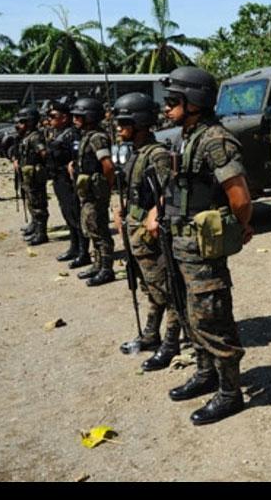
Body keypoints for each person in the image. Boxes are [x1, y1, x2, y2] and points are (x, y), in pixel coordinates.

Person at [146, 66, 253, 426]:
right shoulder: (185, 138)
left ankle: (229, 391)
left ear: (195, 102)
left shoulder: (214, 140)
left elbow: (238, 195)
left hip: (202, 248)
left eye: (174, 101)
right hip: (178, 242)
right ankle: (205, 372)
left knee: (212, 317)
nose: (167, 108)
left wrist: (242, 225)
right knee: (188, 312)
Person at [112, 92, 181, 370]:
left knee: (168, 289)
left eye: (124, 122)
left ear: (139, 122)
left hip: (152, 235)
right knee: (151, 288)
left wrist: (155, 213)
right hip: (135, 232)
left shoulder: (158, 154)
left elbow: (171, 190)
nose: (118, 128)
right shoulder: (136, 153)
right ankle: (151, 334)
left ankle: (171, 342)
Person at [69, 97, 116, 287]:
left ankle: (106, 268)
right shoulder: (88, 136)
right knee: (91, 227)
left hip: (96, 193)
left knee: (99, 230)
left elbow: (108, 166)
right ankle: (97, 264)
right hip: (87, 191)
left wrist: (105, 188)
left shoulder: (97, 137)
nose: (75, 120)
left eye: (79, 116)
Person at [47, 96, 88, 267]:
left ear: (64, 117)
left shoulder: (72, 134)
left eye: (53, 116)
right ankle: (74, 247)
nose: (49, 120)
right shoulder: (57, 133)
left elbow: (79, 157)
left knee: (76, 216)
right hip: (59, 180)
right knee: (67, 215)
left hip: (70, 181)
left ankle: (83, 252)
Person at [14, 107, 50, 246]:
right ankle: (35, 226)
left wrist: (41, 167)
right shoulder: (26, 136)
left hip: (35, 176)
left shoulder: (35, 137)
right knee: (31, 201)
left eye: (22, 122)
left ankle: (41, 233)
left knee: (38, 205)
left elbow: (43, 153)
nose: (19, 125)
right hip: (28, 175)